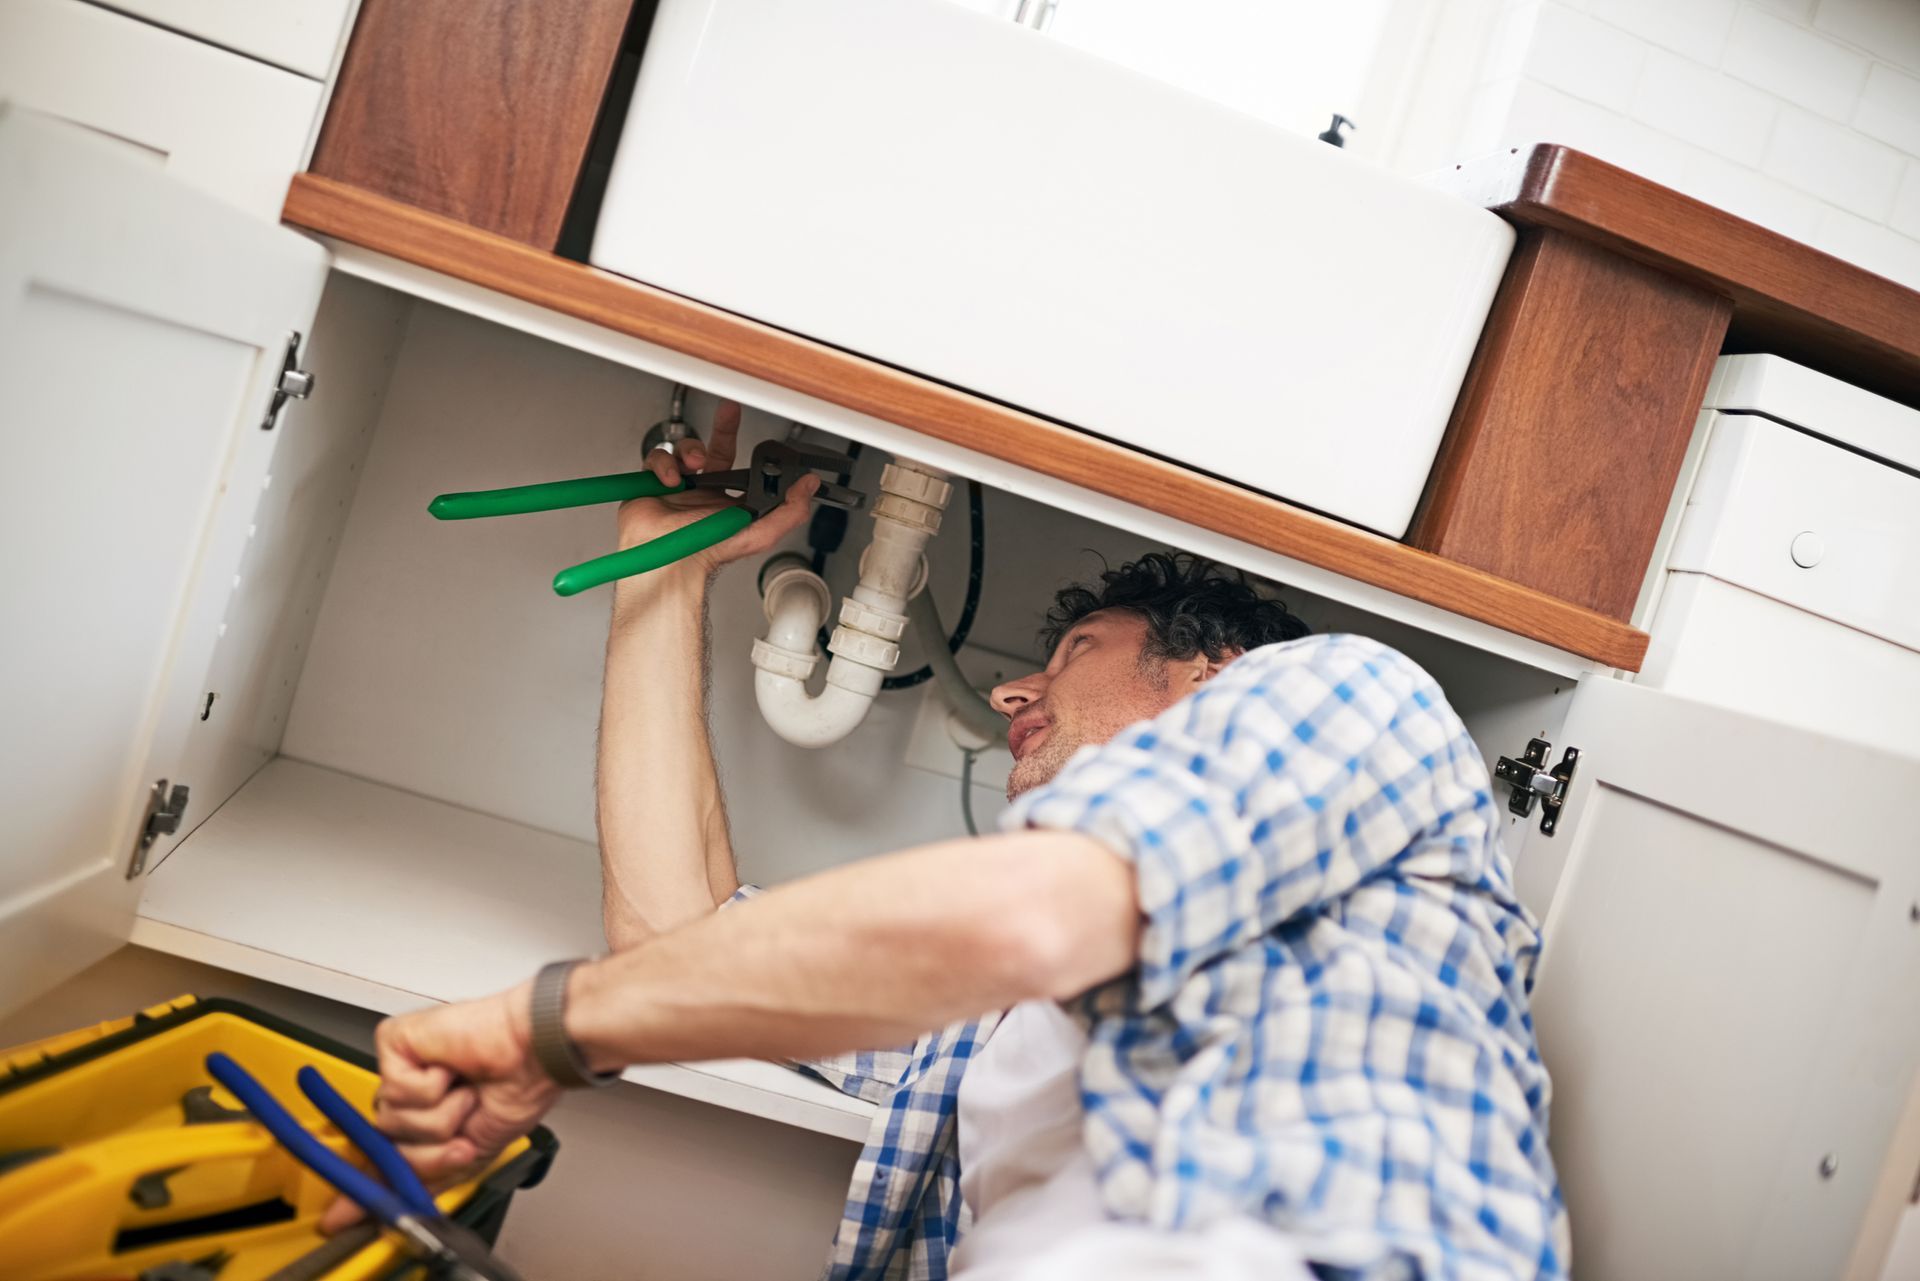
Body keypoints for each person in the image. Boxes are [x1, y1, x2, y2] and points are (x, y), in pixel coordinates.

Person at [347, 403, 1569, 1280]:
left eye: (1074, 651)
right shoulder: (995, 1015)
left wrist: (537, 1031)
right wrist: (652, 572)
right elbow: (672, 939)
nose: (1008, 694)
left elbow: (1021, 910)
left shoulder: (1346, 697)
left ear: (1211, 672)